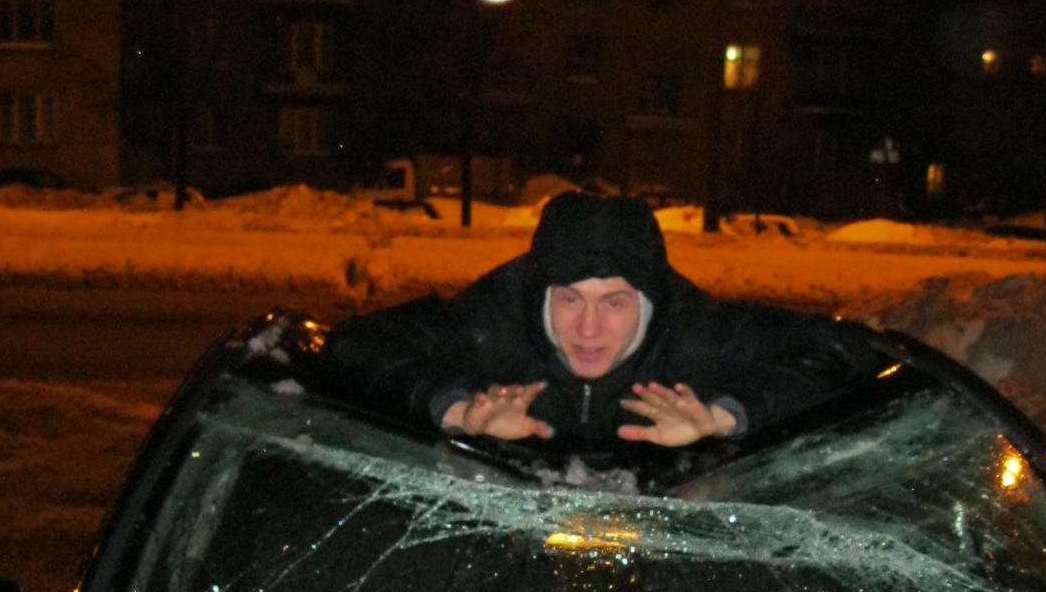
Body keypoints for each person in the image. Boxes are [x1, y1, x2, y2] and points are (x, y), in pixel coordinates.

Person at [316, 191, 846, 453]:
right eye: (570, 300)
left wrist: (722, 418)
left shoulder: (691, 331)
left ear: (648, 304)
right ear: (541, 294)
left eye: (614, 304)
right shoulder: (497, 320)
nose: (588, 330)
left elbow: (842, 352)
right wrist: (458, 410)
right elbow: (352, 344)